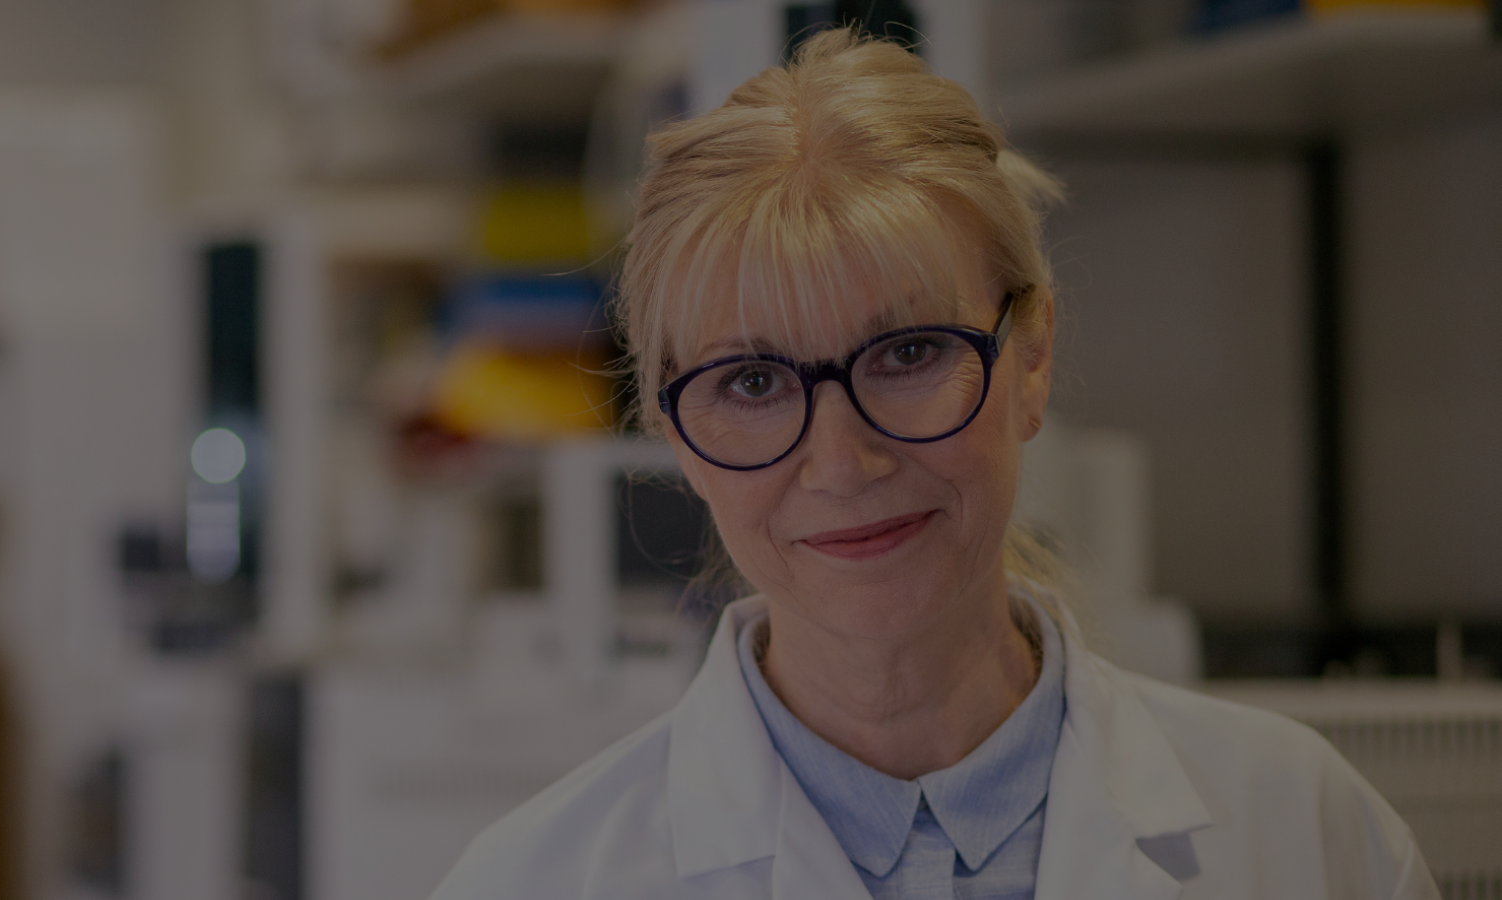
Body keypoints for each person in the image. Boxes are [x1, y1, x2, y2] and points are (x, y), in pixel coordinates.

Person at [429, 29, 1436, 900]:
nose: (840, 461)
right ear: (672, 430)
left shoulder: (1309, 835)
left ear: (1032, 355)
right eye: (751, 382)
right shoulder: (537, 879)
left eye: (908, 353)